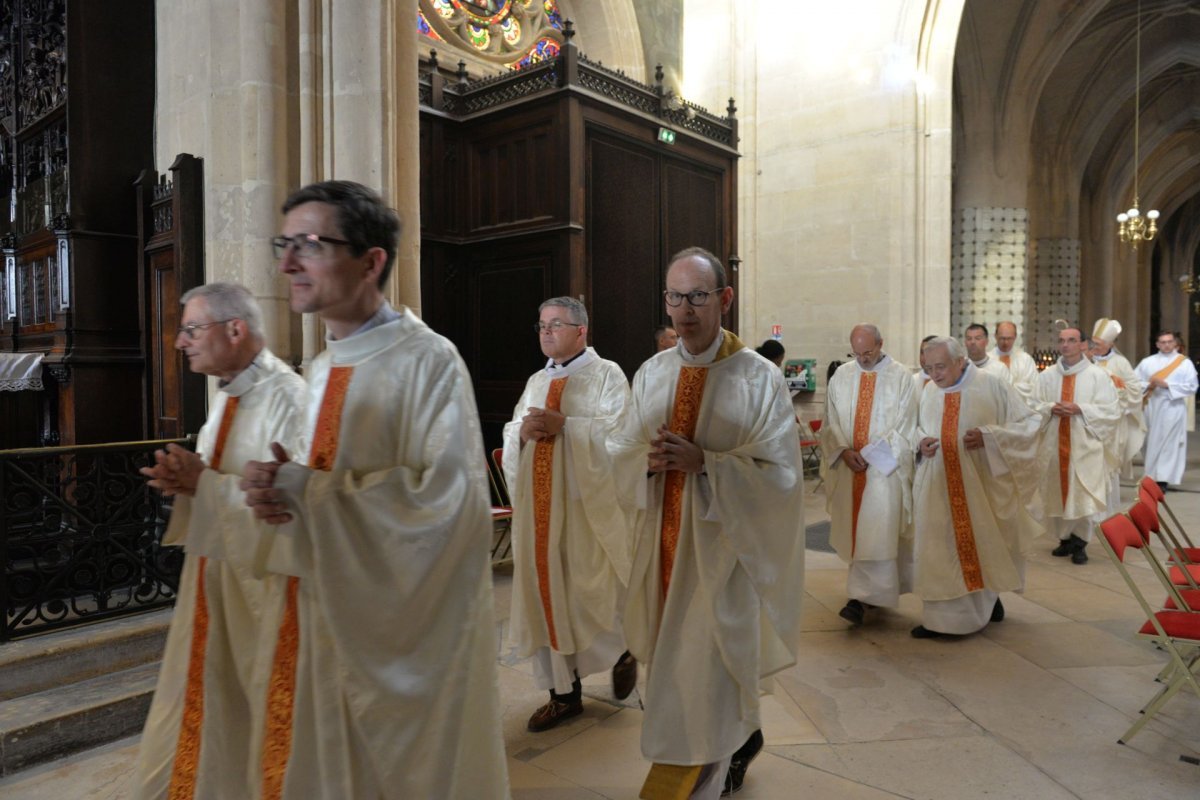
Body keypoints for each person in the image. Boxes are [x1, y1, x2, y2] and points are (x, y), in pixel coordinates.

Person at [238, 181, 509, 798]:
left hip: (398, 646)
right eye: (285, 244)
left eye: (309, 244)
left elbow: (450, 509)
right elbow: (313, 488)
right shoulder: (321, 368)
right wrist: (277, 494)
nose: (286, 263)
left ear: (371, 261)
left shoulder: (428, 361)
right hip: (317, 619)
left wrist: (310, 492)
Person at [609, 247, 804, 799]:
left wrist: (707, 464)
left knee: (708, 676)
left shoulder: (757, 377)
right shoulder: (652, 372)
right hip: (663, 552)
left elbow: (783, 477)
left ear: (725, 298)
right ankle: (734, 744)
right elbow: (619, 448)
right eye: (675, 296)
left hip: (724, 557)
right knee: (679, 674)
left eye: (697, 296)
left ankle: (700, 773)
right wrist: (640, 462)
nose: (684, 309)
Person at [133, 283, 308, 800]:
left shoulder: (289, 399)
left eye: (190, 328)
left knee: (262, 715)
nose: (180, 342)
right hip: (218, 587)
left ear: (235, 329)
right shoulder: (230, 396)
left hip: (267, 598)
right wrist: (191, 483)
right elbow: (222, 481)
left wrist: (203, 485)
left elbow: (293, 513)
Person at [501, 296, 635, 733]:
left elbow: (623, 439)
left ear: (582, 331)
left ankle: (624, 651)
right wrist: (522, 433)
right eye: (541, 324)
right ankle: (563, 694)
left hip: (584, 513)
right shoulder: (537, 379)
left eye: (555, 324)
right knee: (547, 599)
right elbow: (515, 426)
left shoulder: (606, 374)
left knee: (592, 594)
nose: (545, 332)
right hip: (540, 515)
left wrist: (568, 427)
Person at [911, 337, 1042, 638]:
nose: (935, 375)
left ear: (960, 361)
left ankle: (985, 602)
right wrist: (919, 441)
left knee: (980, 545)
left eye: (941, 367)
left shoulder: (991, 385)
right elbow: (915, 426)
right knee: (938, 550)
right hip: (936, 487)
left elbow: (1029, 425)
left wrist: (990, 437)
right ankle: (940, 620)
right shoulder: (928, 390)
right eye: (929, 368)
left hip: (980, 488)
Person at [820, 324, 917, 626]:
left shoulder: (902, 376)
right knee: (858, 532)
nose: (862, 359)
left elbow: (906, 425)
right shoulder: (843, 374)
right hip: (850, 469)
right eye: (856, 353)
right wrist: (843, 450)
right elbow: (831, 418)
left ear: (880, 344)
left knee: (878, 532)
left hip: (883, 471)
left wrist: (873, 455)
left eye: (868, 352)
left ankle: (861, 598)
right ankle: (868, 595)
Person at [1035, 326, 1119, 565]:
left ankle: (1080, 542)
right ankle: (1064, 539)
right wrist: (1049, 408)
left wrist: (1080, 408)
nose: (1065, 345)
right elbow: (1032, 405)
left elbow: (1111, 411)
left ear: (1083, 345)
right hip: (1054, 444)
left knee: (1082, 493)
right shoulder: (1047, 376)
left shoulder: (1097, 376)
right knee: (1057, 492)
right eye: (1061, 340)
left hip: (1085, 446)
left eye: (1071, 340)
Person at [1088, 318, 1146, 513]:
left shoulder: (1119, 362)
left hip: (1112, 423)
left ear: (1110, 344)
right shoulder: (1085, 359)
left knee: (1108, 463)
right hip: (1087, 420)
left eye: (1098, 344)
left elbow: (1134, 388)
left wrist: (1114, 381)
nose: (1094, 347)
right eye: (1093, 343)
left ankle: (1108, 508)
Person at [1135, 331, 1199, 490]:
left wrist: (1167, 385)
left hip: (1172, 407)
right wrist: (1148, 385)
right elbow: (1134, 382)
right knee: (1151, 441)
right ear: (1157, 344)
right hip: (1151, 406)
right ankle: (1150, 476)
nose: (1166, 345)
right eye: (1162, 342)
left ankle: (1162, 479)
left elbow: (1192, 386)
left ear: (1175, 343)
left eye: (1169, 341)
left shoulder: (1184, 363)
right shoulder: (1147, 362)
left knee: (1168, 443)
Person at [991, 321, 1038, 405]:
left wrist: (1007, 388)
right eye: (1002, 338)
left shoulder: (1025, 359)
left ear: (1015, 337)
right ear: (995, 336)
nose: (1006, 342)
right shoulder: (988, 359)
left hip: (1020, 408)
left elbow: (1034, 386)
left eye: (1009, 338)